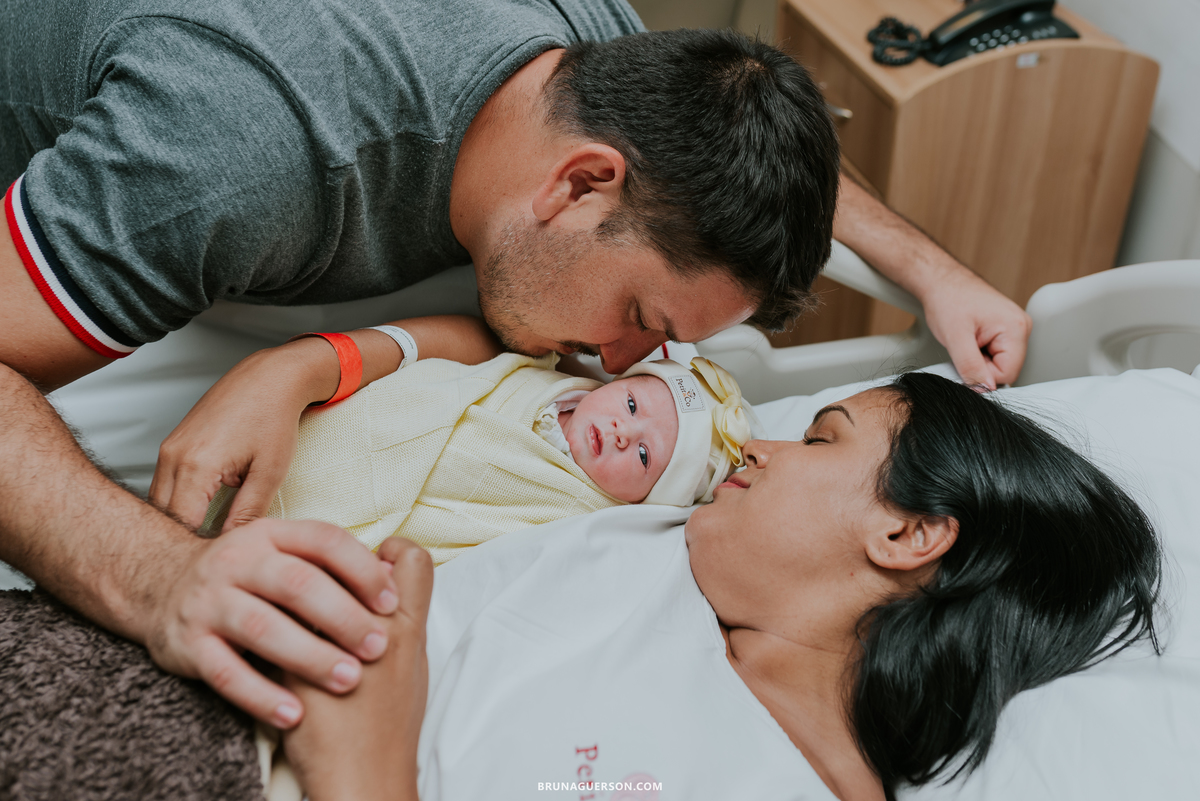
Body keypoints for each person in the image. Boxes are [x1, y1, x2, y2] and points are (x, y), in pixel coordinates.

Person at [0, 0, 1031, 730]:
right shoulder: (238, 154)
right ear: (582, 183)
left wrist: (935, 273)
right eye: (638, 316)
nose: (619, 364)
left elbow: (750, 135)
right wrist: (164, 581)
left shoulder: (586, 57)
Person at [0, 373, 1160, 801]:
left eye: (823, 436)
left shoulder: (766, 779)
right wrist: (309, 363)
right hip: (128, 650)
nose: (757, 446)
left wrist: (367, 764)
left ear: (909, 531)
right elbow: (523, 356)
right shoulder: (668, 535)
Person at [202, 315, 753, 564]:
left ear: (645, 500)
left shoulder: (582, 514)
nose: (619, 430)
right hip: (329, 435)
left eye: (642, 454)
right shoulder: (542, 373)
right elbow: (441, 382)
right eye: (632, 404)